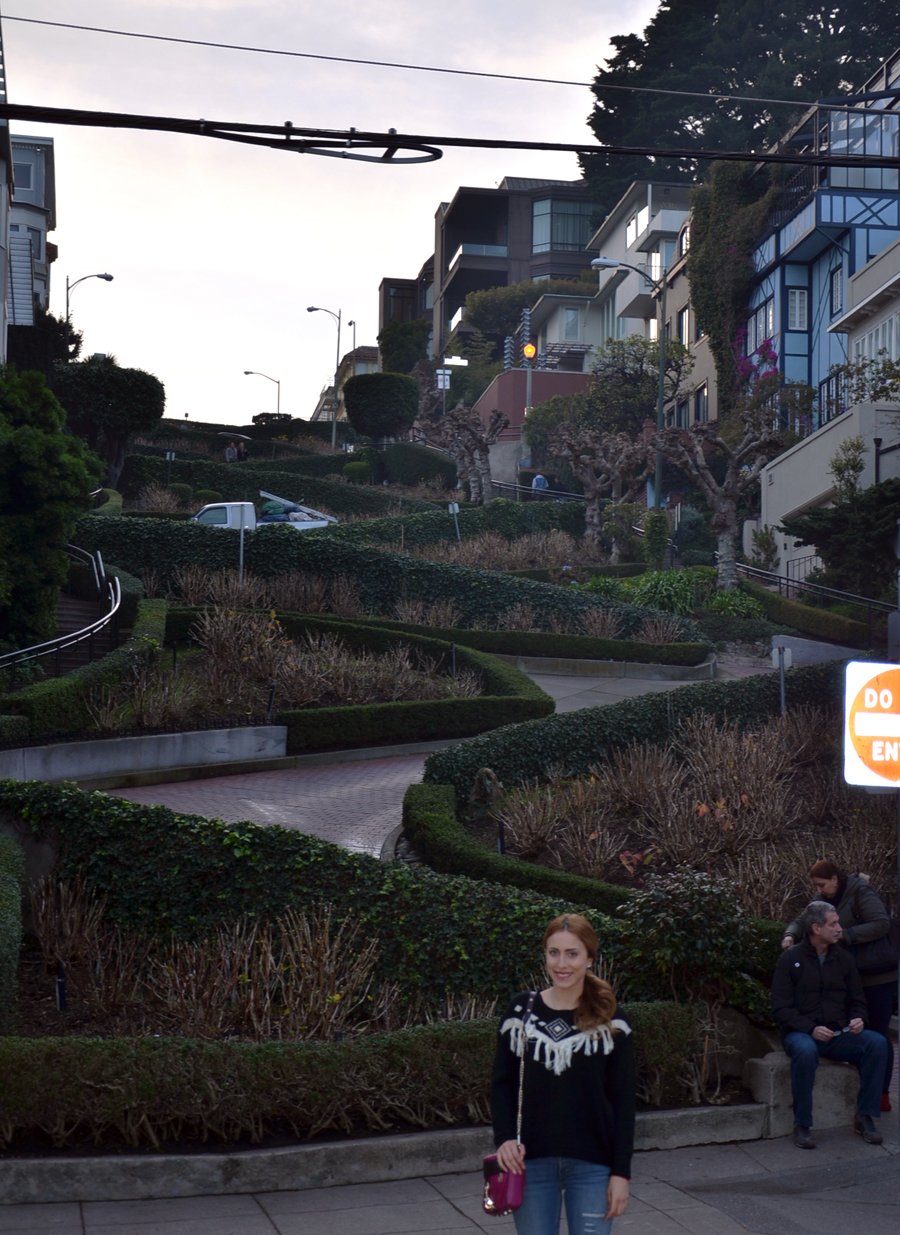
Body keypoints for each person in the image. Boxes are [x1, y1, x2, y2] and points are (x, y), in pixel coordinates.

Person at [491, 913, 635, 1235]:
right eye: (554, 952)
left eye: (572, 954)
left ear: (590, 958)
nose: (562, 963)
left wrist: (621, 1174)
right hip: (529, 1163)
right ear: (544, 954)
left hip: (593, 1166)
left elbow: (624, 1102)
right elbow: (502, 1084)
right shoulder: (521, 1013)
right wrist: (503, 1140)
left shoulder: (612, 1021)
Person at [781, 859, 896, 1112]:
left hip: (876, 975)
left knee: (877, 1032)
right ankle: (863, 1090)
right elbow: (805, 918)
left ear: (835, 878)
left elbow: (881, 923)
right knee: (856, 1029)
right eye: (817, 886)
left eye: (823, 884)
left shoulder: (859, 891)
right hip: (848, 972)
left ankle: (881, 1094)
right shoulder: (823, 897)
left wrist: (844, 935)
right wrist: (790, 934)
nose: (820, 889)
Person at [772, 899, 887, 1149]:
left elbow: (858, 999)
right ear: (816, 928)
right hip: (801, 1033)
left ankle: (865, 1116)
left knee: (877, 1043)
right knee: (804, 1050)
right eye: (833, 924)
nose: (839, 928)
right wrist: (809, 1028)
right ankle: (802, 1124)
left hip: (838, 1033)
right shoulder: (790, 959)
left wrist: (859, 1018)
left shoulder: (844, 959)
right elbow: (780, 1008)